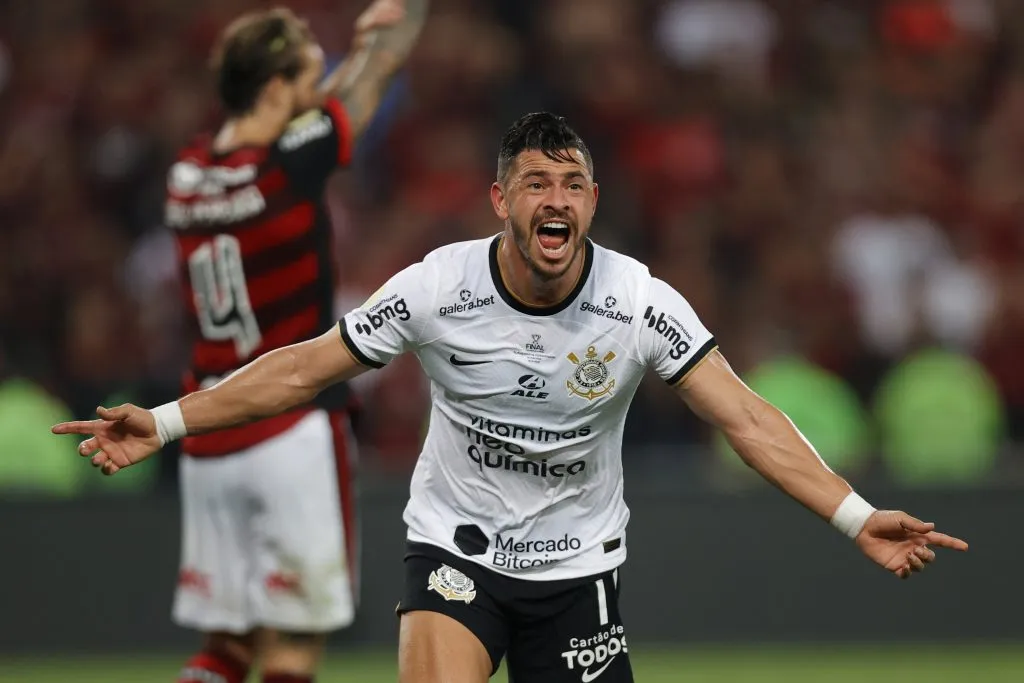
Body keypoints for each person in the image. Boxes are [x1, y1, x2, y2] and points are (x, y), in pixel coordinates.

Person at [55, 113, 968, 683]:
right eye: (536, 182)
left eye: (571, 184)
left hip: (578, 568)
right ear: (501, 199)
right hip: (458, 548)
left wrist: (856, 517)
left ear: (593, 201)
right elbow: (302, 368)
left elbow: (747, 417)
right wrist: (165, 421)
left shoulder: (638, 301)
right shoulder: (437, 288)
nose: (555, 199)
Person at [147, 2, 426, 682]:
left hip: (210, 424)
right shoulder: (290, 166)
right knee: (294, 646)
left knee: (225, 648)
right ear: (274, 88)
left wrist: (332, 78)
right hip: (289, 423)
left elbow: (302, 125)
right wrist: (392, 26)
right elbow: (377, 71)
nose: (319, 83)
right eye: (307, 74)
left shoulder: (188, 172)